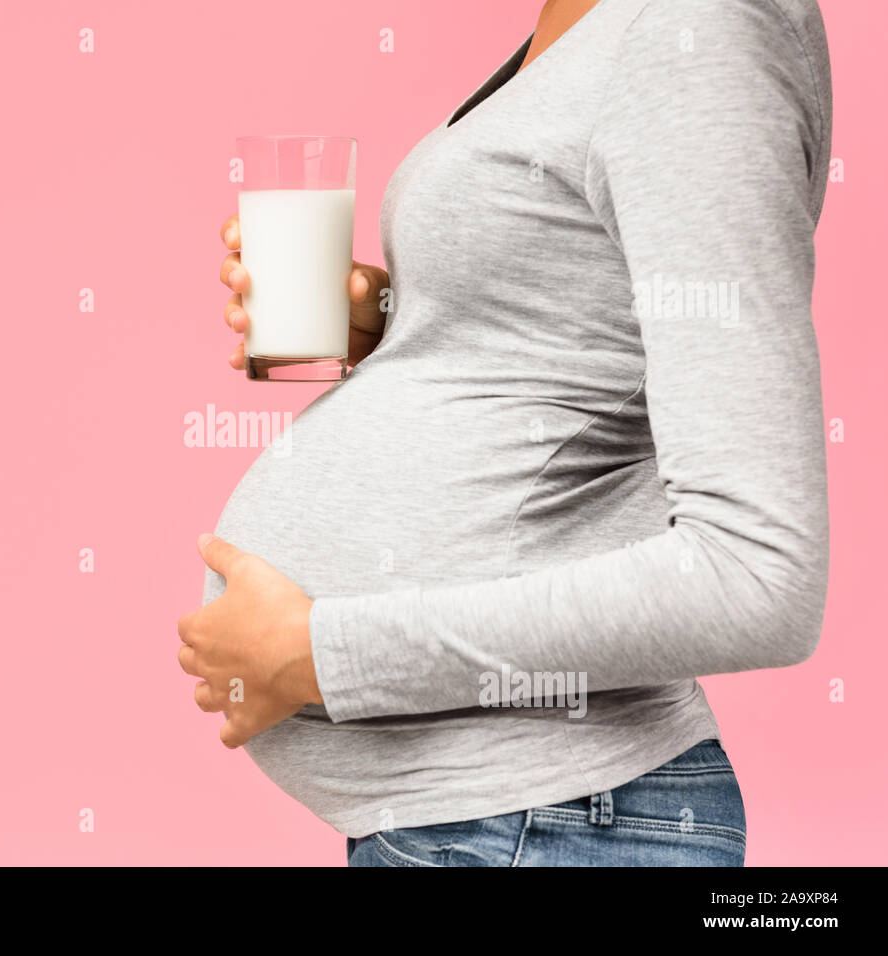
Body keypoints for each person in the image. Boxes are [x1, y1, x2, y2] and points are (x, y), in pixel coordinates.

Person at [178, 0, 833, 866]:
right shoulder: (589, 19)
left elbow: (761, 581)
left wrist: (327, 654)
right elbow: (587, 336)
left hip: (546, 823)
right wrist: (401, 321)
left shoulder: (695, 27)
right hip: (501, 825)